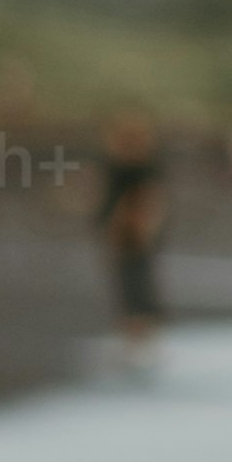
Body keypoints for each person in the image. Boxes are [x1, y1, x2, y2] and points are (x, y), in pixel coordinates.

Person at [91, 107, 170, 362]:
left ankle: (137, 343)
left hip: (132, 233)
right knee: (133, 284)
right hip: (131, 232)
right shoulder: (128, 163)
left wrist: (135, 229)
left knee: (134, 284)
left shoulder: (137, 167)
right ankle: (137, 343)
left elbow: (146, 201)